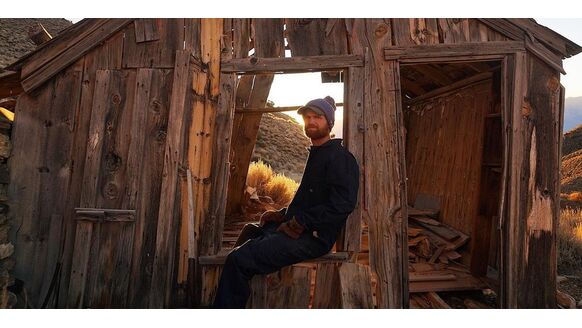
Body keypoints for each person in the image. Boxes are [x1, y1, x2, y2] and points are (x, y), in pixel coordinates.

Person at [213, 96, 360, 308]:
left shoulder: (340, 157)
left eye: (317, 117)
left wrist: (302, 221)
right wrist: (283, 213)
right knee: (250, 231)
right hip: (297, 228)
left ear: (329, 122)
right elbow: (309, 199)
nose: (311, 121)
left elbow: (343, 204)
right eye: (307, 117)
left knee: (239, 261)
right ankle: (234, 297)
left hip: (313, 237)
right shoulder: (318, 154)